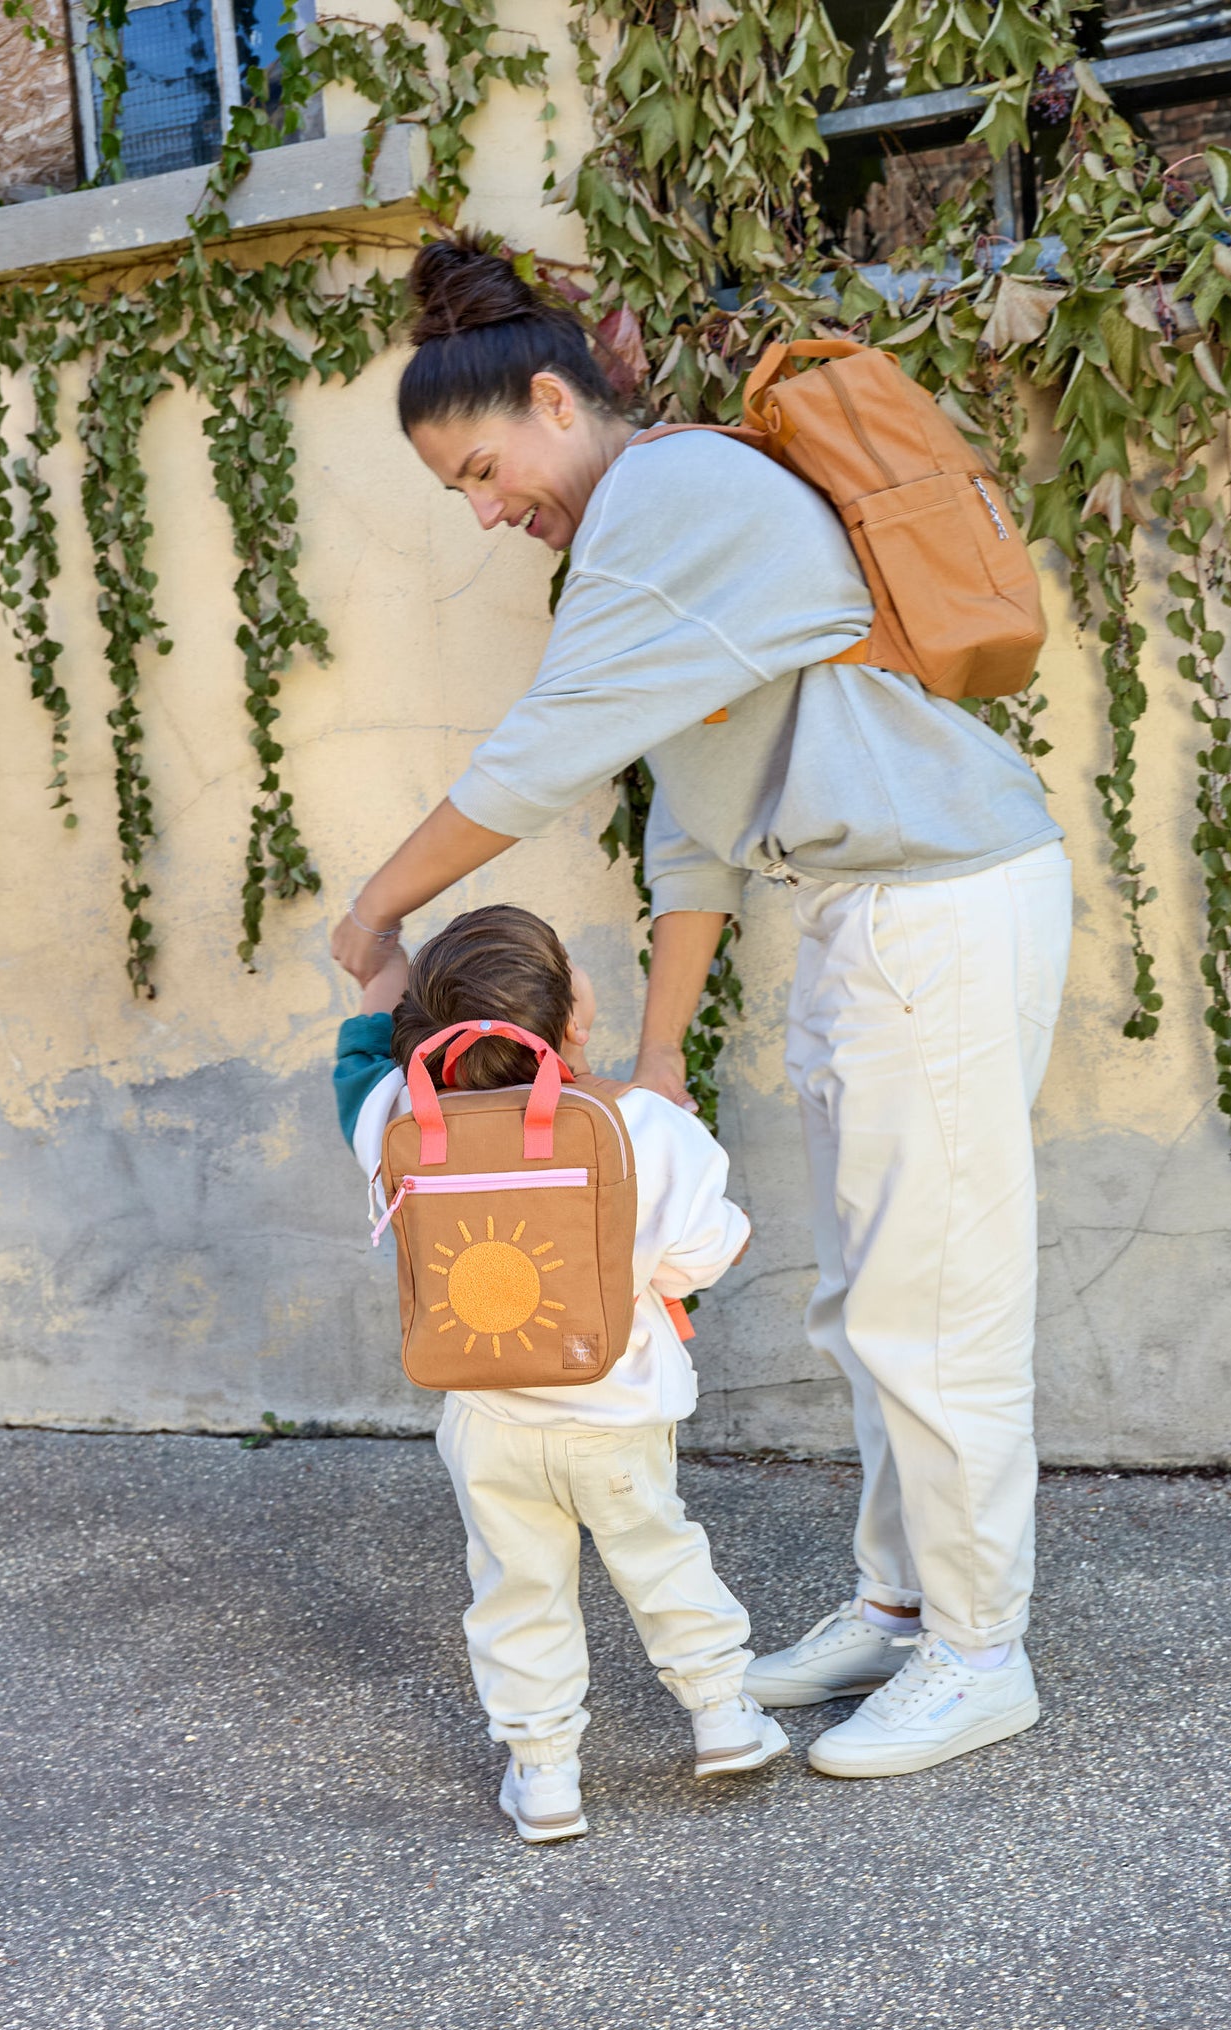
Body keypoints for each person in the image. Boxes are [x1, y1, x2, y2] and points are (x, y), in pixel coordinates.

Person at [331, 237, 1073, 1781]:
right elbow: (695, 825)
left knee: (935, 1299)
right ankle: (899, 1601)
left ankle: (980, 1649)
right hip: (872, 910)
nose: (483, 514)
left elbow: (540, 759)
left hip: (936, 898)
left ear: (553, 399)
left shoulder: (666, 505)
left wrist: (379, 908)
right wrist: (657, 1058)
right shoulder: (650, 543)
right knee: (871, 1298)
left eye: (482, 470)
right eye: (456, 495)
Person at [334, 903, 788, 1841]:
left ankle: (544, 1777)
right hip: (617, 1409)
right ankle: (721, 1715)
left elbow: (361, 1058)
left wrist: (379, 959)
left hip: (488, 1424)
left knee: (516, 1587)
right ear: (573, 1020)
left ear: (420, 1028)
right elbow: (710, 1254)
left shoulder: (394, 1119)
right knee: (661, 1556)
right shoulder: (644, 1126)